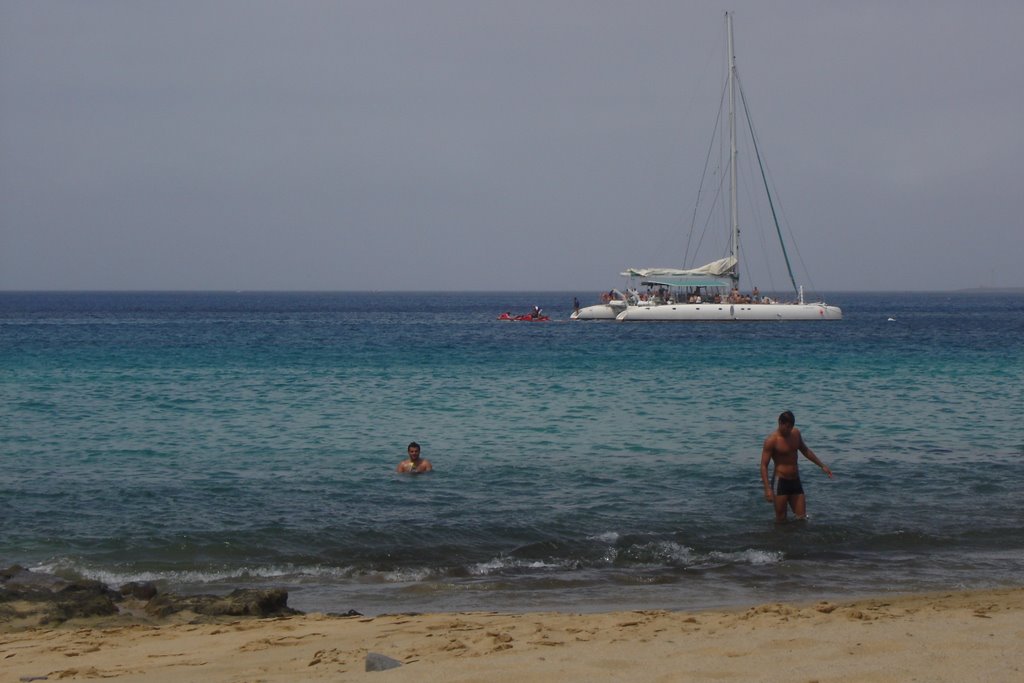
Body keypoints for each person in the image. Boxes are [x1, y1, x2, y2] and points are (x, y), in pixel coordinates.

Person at [760, 410, 832, 522]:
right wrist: (767, 489)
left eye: (791, 427)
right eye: (787, 427)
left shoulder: (796, 434)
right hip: (781, 482)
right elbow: (764, 465)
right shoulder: (772, 440)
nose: (788, 430)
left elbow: (805, 450)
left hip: (795, 480)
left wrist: (822, 465)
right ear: (780, 423)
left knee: (802, 518)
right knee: (781, 520)